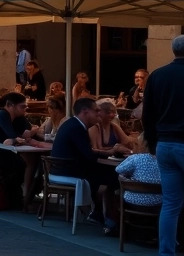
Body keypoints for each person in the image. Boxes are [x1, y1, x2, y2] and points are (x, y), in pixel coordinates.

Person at [52, 97, 119, 235]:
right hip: (69, 172)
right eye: (96, 111)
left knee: (106, 176)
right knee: (115, 177)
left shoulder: (72, 124)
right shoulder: (77, 128)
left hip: (60, 170)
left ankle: (99, 212)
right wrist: (109, 153)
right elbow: (88, 155)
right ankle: (111, 219)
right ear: (85, 112)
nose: (99, 114)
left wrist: (105, 153)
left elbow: (85, 152)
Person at [143, 34, 184, 256]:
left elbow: (147, 115)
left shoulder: (157, 75)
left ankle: (166, 252)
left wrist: (152, 142)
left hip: (165, 144)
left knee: (170, 204)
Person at [115, 136, 163, 209]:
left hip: (133, 201)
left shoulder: (135, 158)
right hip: (158, 202)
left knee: (113, 192)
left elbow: (118, 169)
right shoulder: (164, 161)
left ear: (142, 145)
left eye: (136, 144)